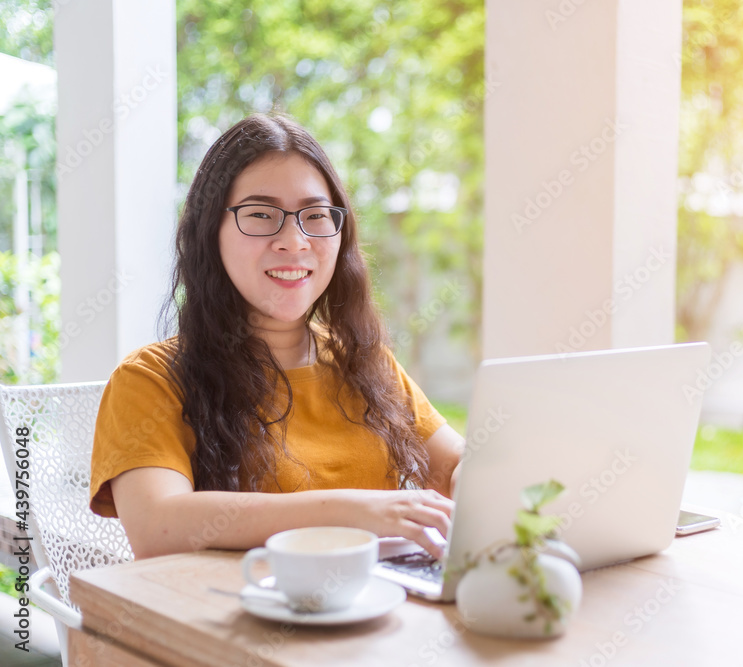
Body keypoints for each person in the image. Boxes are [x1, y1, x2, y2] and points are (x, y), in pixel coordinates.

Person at [89, 113, 465, 560]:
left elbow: (457, 465)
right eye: (261, 214)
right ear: (211, 233)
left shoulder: (364, 361)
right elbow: (158, 525)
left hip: (375, 608)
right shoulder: (149, 379)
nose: (294, 240)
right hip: (227, 618)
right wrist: (352, 510)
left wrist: (479, 480)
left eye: (315, 215)